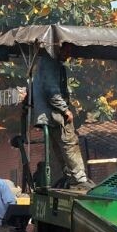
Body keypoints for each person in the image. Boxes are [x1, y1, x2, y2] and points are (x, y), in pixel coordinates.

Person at [30, 55, 90, 189]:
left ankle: (70, 176)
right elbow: (52, 92)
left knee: (58, 147)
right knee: (70, 144)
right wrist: (65, 110)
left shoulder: (41, 65)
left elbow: (36, 90)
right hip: (55, 115)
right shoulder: (51, 64)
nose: (69, 53)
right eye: (66, 48)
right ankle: (80, 179)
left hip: (46, 117)